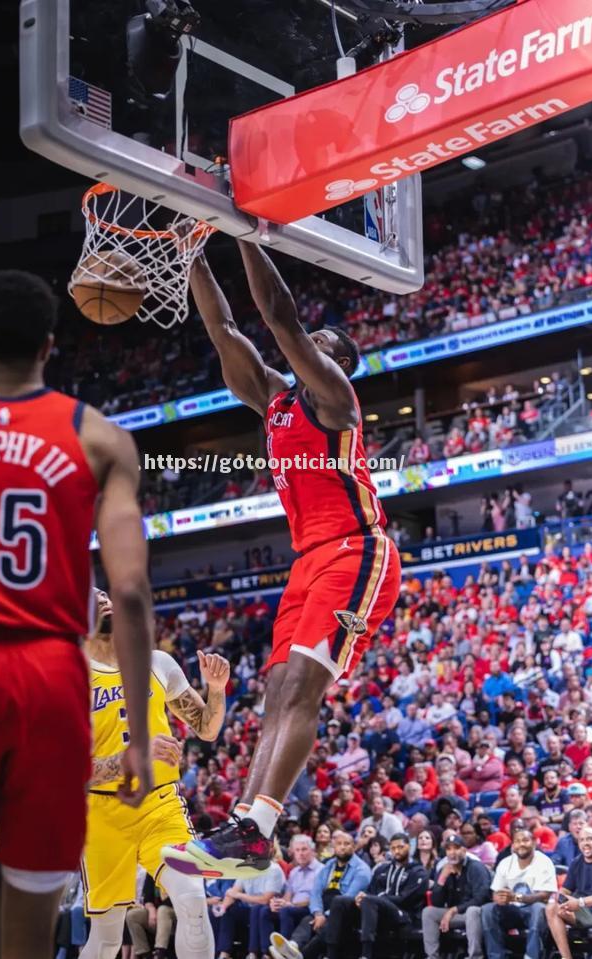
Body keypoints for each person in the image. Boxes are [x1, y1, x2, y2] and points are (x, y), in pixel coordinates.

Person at [170, 242, 402, 877]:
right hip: (308, 562)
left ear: (340, 363)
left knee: (301, 689)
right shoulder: (275, 399)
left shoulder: (335, 396)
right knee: (276, 693)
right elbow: (224, 329)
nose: (308, 344)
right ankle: (246, 830)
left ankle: (259, 826)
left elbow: (279, 315)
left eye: (322, 341)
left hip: (356, 551)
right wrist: (192, 251)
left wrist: (243, 230)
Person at [0, 271, 154, 959]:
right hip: (49, 671)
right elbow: (127, 591)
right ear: (49, 345)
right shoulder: (101, 438)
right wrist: (133, 730)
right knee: (29, 920)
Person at [81, 589, 228, 959]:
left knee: (194, 900)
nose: (101, 597)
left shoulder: (157, 661)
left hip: (160, 805)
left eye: (103, 592)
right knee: (108, 938)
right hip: (101, 814)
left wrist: (216, 690)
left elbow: (206, 729)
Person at [268, 831, 370, 959]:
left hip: (349, 911)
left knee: (328, 924)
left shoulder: (362, 869)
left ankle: (299, 955)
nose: (342, 847)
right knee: (308, 920)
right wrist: (318, 913)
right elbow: (316, 892)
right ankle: (293, 946)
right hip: (326, 907)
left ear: (354, 847)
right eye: (339, 844)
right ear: (334, 847)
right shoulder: (329, 865)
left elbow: (349, 897)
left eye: (347, 844)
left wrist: (326, 915)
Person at [481, 828, 558, 959]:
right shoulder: (505, 863)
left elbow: (544, 895)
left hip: (534, 911)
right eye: (517, 841)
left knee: (538, 908)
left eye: (525, 840)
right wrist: (499, 898)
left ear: (533, 842)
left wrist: (516, 897)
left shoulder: (544, 861)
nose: (521, 844)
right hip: (511, 911)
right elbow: (495, 892)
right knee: (487, 909)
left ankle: (532, 956)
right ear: (513, 845)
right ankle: (495, 956)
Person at [422, 833, 491, 959]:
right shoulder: (445, 869)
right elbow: (436, 902)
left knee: (472, 911)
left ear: (464, 850)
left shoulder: (476, 867)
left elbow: (481, 898)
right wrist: (442, 879)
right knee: (428, 912)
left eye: (456, 848)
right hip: (457, 915)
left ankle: (475, 956)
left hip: (478, 914)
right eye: (448, 849)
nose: (452, 852)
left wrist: (454, 910)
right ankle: (432, 956)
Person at [545, 826, 592, 959]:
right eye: (582, 840)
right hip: (581, 912)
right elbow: (566, 889)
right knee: (551, 908)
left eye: (590, 839)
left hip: (587, 907)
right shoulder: (576, 862)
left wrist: (580, 902)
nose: (586, 843)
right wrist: (560, 898)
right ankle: (566, 957)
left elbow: (579, 902)